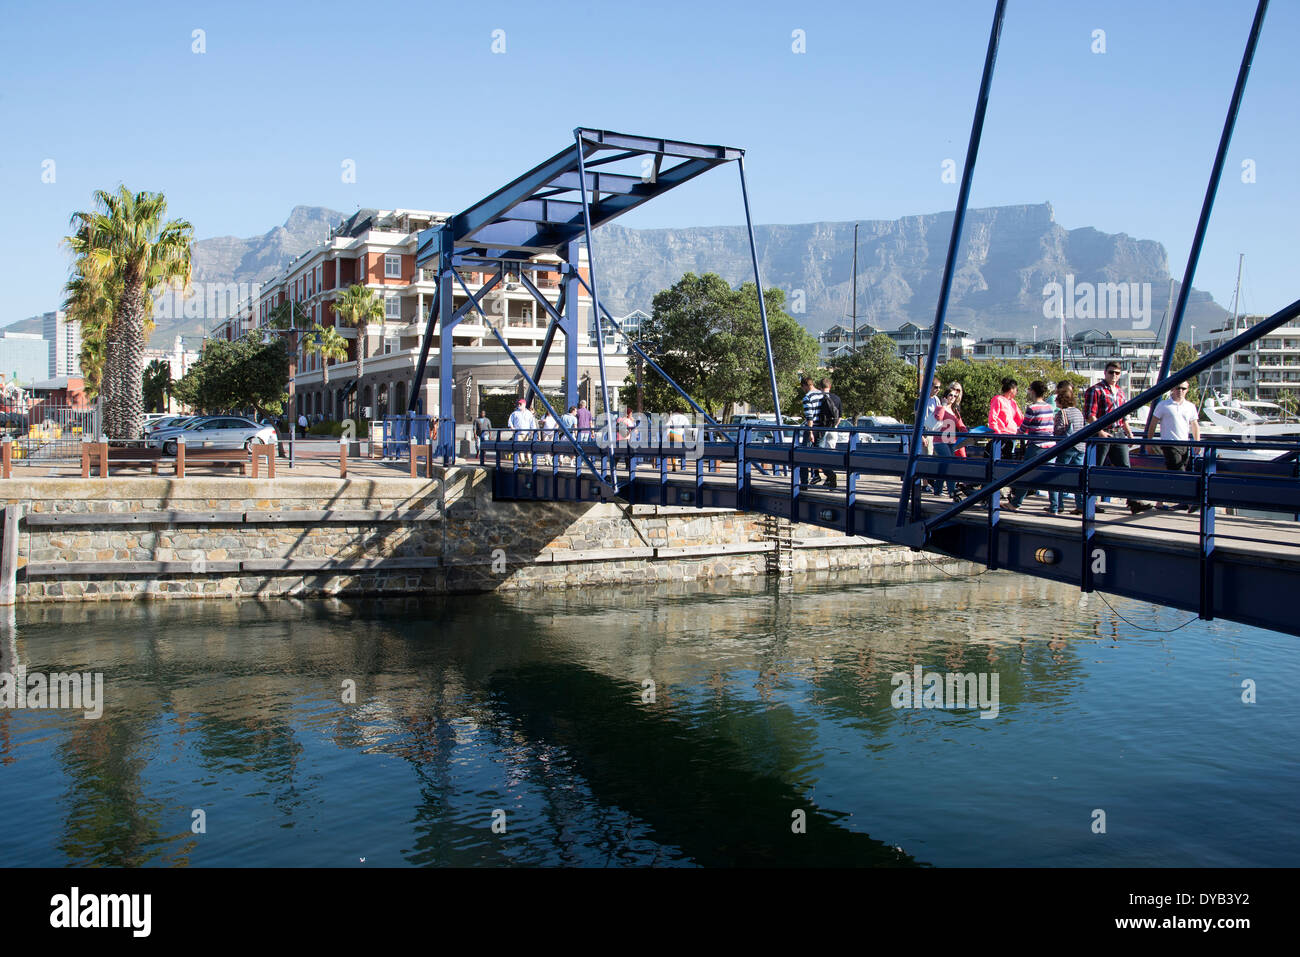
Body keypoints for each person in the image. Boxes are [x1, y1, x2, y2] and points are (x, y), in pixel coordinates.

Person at [1083, 362, 1152, 514]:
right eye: (1111, 372)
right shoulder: (1095, 390)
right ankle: (1089, 502)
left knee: (1125, 468)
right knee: (1095, 468)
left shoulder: (1120, 392)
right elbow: (1090, 414)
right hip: (1102, 433)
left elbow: (1123, 415)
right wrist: (1099, 431)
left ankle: (1133, 500)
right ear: (1105, 373)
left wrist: (1129, 433)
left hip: (1118, 432)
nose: (1114, 375)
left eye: (1117, 373)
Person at [1146, 381, 1201, 512]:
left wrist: (1197, 442)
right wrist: (1148, 441)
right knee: (1179, 472)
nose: (1180, 391)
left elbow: (1194, 425)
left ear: (1187, 390)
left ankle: (1160, 501)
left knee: (1171, 474)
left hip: (1184, 444)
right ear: (1172, 389)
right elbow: (1153, 424)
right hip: (1169, 444)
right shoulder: (1163, 405)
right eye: (1177, 388)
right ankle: (1190, 501)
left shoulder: (1190, 406)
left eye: (1183, 388)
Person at [1011, 381, 1054, 509]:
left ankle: (1015, 503)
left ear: (1033, 391)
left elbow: (1024, 428)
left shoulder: (1032, 408)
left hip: (1036, 445)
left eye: (1029, 389)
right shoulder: (1049, 407)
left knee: (1024, 474)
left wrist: (1016, 433)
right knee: (1050, 475)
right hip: (1050, 445)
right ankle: (1055, 507)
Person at [1051, 381, 1086, 515]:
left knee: (1057, 475)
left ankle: (1057, 505)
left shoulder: (1062, 413)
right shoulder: (1078, 412)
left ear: (1061, 401)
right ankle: (1081, 505)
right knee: (1078, 476)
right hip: (1081, 447)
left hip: (1068, 446)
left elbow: (1058, 431)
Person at [933, 387, 965, 497]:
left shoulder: (955, 411)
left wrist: (968, 432)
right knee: (949, 463)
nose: (953, 398)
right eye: (950, 395)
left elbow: (961, 425)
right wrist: (944, 405)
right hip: (939, 441)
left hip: (951, 441)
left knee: (944, 465)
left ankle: (937, 489)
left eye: (955, 396)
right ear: (945, 396)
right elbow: (938, 417)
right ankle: (952, 490)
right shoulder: (940, 407)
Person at [799, 376, 825, 488]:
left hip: (811, 429)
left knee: (804, 456)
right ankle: (824, 477)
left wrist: (810, 432)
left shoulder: (807, 397)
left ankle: (804, 483)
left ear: (805, 386)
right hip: (821, 429)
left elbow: (809, 416)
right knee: (819, 455)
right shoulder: (822, 394)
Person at [817, 377, 842, 490]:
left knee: (819, 454)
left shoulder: (819, 398)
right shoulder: (837, 398)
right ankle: (830, 480)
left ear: (820, 387)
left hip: (822, 429)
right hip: (834, 429)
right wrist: (834, 425)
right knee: (830, 455)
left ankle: (830, 476)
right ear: (830, 387)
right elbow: (840, 417)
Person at [507, 398, 536, 465]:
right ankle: (522, 462)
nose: (519, 405)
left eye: (520, 404)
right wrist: (512, 427)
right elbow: (510, 421)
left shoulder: (529, 413)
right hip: (518, 434)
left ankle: (528, 460)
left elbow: (532, 423)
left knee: (526, 447)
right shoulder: (515, 413)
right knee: (520, 448)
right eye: (519, 403)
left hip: (526, 434)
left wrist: (533, 431)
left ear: (524, 404)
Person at [666, 407, 690, 472]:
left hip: (671, 434)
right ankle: (682, 465)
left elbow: (667, 425)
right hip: (678, 435)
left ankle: (674, 466)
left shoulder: (672, 416)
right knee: (683, 449)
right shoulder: (684, 417)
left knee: (672, 451)